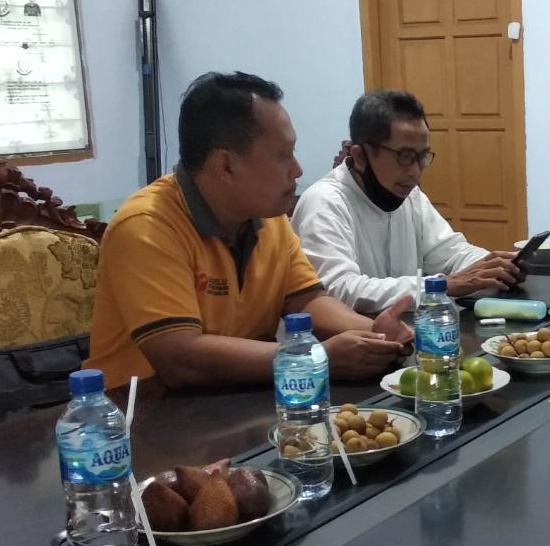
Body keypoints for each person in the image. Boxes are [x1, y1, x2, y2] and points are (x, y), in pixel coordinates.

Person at [87, 72, 413, 390]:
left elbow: (307, 301)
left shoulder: (268, 217)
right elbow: (180, 358)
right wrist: (313, 358)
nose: (297, 169)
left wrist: (375, 334)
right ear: (225, 165)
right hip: (139, 415)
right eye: (284, 155)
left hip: (238, 401)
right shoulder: (147, 226)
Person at [291, 89, 522, 312]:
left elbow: (451, 252)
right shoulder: (324, 203)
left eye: (422, 157)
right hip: (353, 337)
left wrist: (495, 267)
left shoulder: (409, 195)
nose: (415, 173)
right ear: (361, 156)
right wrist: (441, 285)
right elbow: (338, 290)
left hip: (412, 331)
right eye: (404, 157)